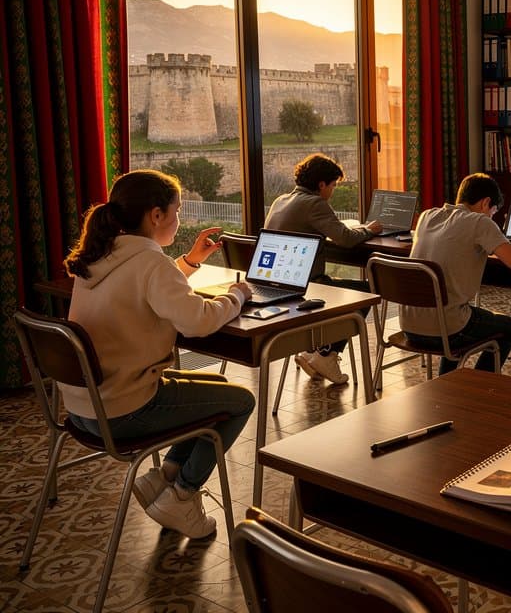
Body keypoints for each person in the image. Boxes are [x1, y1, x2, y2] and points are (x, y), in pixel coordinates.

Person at [63, 170, 255, 539]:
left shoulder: (101, 254)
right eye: (176, 210)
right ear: (155, 215)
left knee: (213, 385)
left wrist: (188, 263)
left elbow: (147, 286)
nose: (178, 218)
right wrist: (238, 296)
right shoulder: (149, 263)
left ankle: (163, 478)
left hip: (85, 409)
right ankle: (182, 494)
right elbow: (197, 320)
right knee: (240, 401)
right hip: (126, 410)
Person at [400, 173, 511, 373]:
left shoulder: (427, 215)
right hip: (447, 329)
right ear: (486, 203)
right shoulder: (480, 222)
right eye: (494, 212)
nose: (492, 217)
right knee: (507, 327)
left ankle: (447, 383)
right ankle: (478, 385)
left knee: (458, 314)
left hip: (409, 326)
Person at [264, 153, 382, 385]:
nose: (333, 191)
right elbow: (346, 238)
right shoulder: (315, 203)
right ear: (321, 184)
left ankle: (313, 351)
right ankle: (326, 354)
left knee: (339, 285)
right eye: (333, 185)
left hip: (276, 285)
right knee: (367, 292)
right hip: (305, 287)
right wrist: (369, 230)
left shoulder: (281, 200)